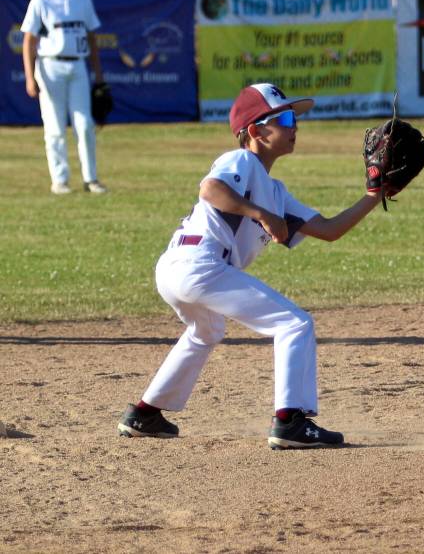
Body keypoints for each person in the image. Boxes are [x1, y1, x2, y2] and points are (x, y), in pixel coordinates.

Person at [117, 83, 385, 449]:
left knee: (206, 331)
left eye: (295, 118)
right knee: (294, 323)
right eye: (286, 118)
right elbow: (210, 189)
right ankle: (290, 421)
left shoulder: (276, 191)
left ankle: (146, 413)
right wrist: (259, 214)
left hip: (180, 268)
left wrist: (374, 195)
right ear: (256, 131)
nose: (295, 126)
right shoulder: (241, 160)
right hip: (200, 264)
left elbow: (328, 230)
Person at [20, 0, 106, 195]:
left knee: (84, 124)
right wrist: (29, 76)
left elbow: (91, 37)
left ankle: (91, 179)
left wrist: (98, 74)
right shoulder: (40, 1)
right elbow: (29, 41)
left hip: (77, 64)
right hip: (49, 65)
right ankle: (60, 179)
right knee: (55, 126)